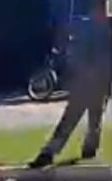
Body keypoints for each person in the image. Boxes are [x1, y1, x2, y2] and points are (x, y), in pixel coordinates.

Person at [30, 0, 111, 169]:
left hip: (102, 81)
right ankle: (49, 152)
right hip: (84, 82)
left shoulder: (108, 28)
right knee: (70, 119)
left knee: (95, 119)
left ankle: (90, 149)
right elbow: (76, 53)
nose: (104, 11)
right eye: (101, 7)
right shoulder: (87, 28)